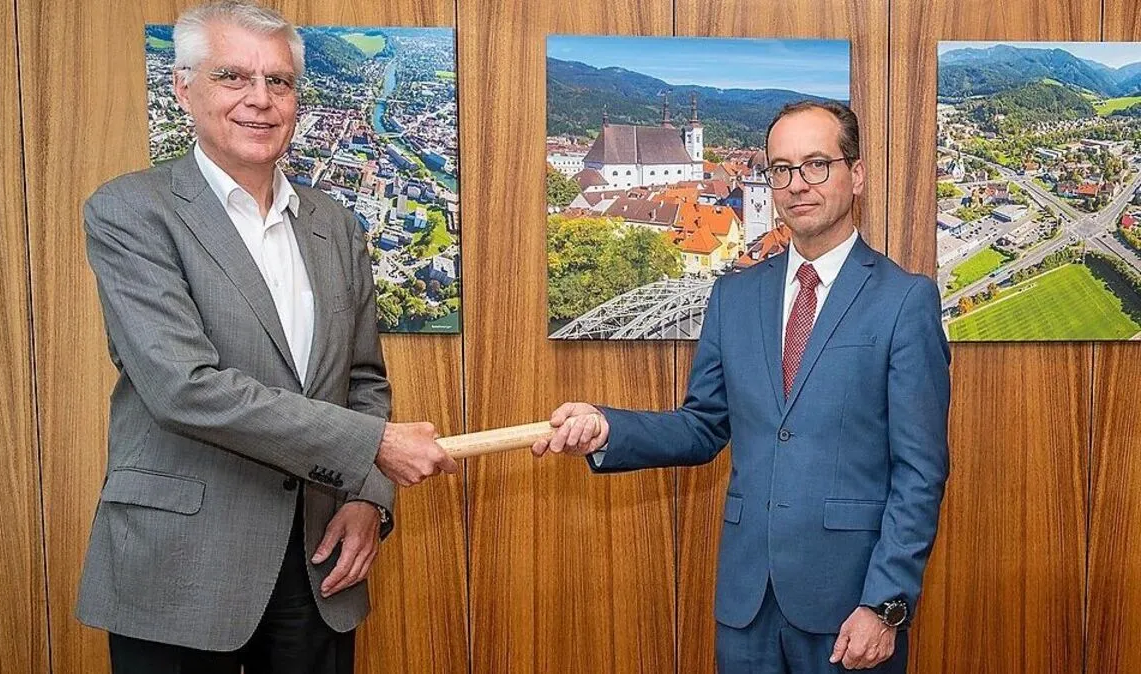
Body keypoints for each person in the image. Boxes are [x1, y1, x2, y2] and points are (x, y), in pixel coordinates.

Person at [76, 2, 457, 672]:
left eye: (278, 82)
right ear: (182, 88)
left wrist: (369, 496)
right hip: (181, 568)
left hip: (318, 564)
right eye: (234, 77)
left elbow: (364, 382)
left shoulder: (336, 226)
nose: (260, 100)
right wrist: (377, 448)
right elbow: (182, 388)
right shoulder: (130, 212)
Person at [533, 101, 950, 673]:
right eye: (780, 169)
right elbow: (703, 425)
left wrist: (885, 603)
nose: (796, 184)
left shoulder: (905, 301)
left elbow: (920, 471)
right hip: (746, 606)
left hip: (851, 606)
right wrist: (609, 428)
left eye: (816, 164)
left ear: (857, 174)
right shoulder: (734, 296)